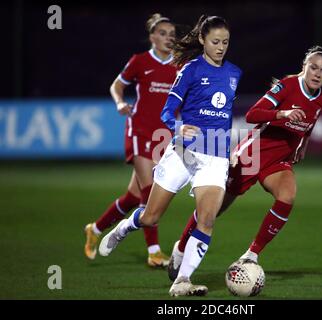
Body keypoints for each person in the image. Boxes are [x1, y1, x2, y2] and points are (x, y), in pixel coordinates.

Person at [98, 15, 242, 297]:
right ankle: (125, 227)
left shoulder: (235, 72)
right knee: (150, 217)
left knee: (207, 219)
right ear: (202, 40)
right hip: (183, 151)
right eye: (215, 41)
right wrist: (177, 127)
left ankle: (183, 280)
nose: (221, 47)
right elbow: (167, 111)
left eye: (225, 42)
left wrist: (229, 149)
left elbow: (223, 115)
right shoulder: (189, 70)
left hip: (215, 155)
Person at [168, 45, 322, 281]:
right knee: (213, 210)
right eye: (314, 67)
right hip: (252, 155)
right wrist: (281, 114)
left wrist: (303, 144)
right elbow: (252, 115)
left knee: (287, 197)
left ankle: (251, 255)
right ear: (304, 67)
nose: (317, 74)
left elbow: (310, 122)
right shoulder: (287, 86)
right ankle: (182, 247)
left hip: (278, 161)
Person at [84, 13, 177, 268]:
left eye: (171, 34)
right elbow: (116, 85)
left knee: (131, 198)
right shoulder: (140, 61)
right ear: (152, 37)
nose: (168, 38)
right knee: (150, 191)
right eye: (162, 33)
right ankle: (154, 251)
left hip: (162, 137)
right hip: (138, 131)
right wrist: (120, 102)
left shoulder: (179, 65)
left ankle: (95, 228)